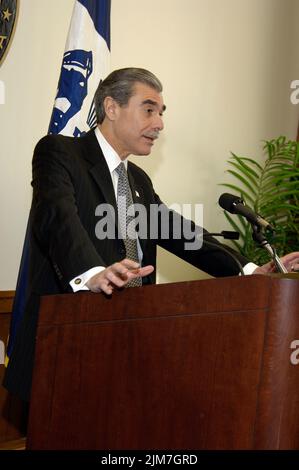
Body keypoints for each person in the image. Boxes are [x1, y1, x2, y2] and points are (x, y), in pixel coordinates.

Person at [3, 67, 299, 403]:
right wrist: (92, 273)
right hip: (68, 340)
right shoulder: (60, 153)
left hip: (129, 342)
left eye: (160, 113)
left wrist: (247, 271)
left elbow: (180, 233)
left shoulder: (138, 181)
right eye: (148, 110)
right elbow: (57, 219)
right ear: (112, 107)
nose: (159, 124)